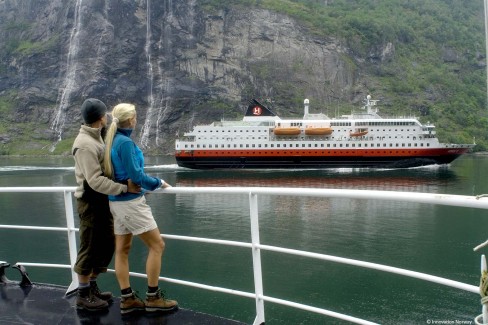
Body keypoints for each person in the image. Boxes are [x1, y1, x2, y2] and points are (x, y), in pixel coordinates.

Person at [103, 103, 178, 315]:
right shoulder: (125, 143)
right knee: (158, 245)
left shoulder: (112, 140)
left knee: (122, 250)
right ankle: (153, 298)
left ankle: (127, 300)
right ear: (132, 120)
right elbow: (136, 176)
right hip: (131, 204)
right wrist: (159, 182)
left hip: (116, 202)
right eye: (136, 116)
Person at [72, 98, 141, 311]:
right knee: (90, 246)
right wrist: (123, 188)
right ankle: (83, 294)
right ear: (101, 117)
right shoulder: (85, 144)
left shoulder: (97, 137)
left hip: (102, 200)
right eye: (105, 114)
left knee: (105, 244)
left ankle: (91, 287)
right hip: (90, 202)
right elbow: (94, 180)